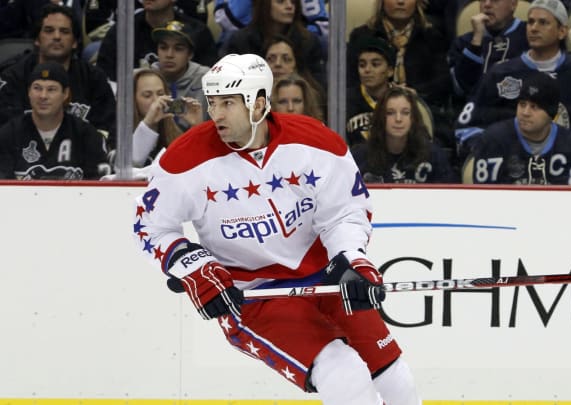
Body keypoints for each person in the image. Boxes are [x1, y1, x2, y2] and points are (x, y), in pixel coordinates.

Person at [132, 53, 421, 405]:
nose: (215, 114)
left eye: (228, 103)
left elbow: (344, 212)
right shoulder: (186, 159)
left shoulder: (315, 142)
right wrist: (194, 267)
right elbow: (150, 228)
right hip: (254, 295)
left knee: (395, 378)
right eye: (213, 103)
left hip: (325, 278)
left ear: (258, 103)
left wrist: (351, 259)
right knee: (345, 376)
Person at [456, 0, 571, 156]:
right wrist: (490, 148)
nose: (534, 28)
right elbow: (466, 127)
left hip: (565, 163)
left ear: (562, 31)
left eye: (543, 23)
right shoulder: (501, 73)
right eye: (530, 22)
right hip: (510, 163)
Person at [0, 3, 117, 150]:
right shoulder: (13, 77)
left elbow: (109, 130)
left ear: (75, 42)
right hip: (24, 161)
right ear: (37, 39)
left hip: (82, 162)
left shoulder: (94, 78)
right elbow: (5, 133)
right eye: (49, 31)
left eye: (64, 31)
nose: (56, 37)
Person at [347, 0, 453, 150]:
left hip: (421, 107)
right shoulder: (361, 36)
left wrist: (416, 95)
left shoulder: (432, 35)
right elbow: (349, 80)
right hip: (365, 106)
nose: (401, 2)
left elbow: (443, 83)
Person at [466, 71, 571, 184]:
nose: (525, 112)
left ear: (551, 113)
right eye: (522, 104)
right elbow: (485, 196)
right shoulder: (493, 140)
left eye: (534, 107)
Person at [0, 62, 110, 180]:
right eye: (37, 88)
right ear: (29, 92)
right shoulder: (9, 134)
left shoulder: (87, 135)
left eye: (51, 89)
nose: (43, 96)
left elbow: (100, 187)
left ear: (65, 94)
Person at [351, 86, 456, 183]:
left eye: (405, 113)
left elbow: (449, 197)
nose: (398, 119)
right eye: (390, 113)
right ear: (381, 118)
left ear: (413, 118)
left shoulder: (434, 156)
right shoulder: (360, 157)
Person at [97, 0, 218, 82]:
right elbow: (105, 77)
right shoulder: (122, 31)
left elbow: (212, 78)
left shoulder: (197, 32)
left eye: (178, 48)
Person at [220, 0, 326, 89]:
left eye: (293, 2)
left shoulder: (308, 41)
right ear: (264, 5)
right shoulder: (240, 41)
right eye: (280, 1)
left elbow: (318, 87)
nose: (289, 6)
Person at [447, 0, 529, 98]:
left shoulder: (530, 35)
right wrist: (476, 41)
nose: (487, 4)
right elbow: (460, 88)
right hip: (477, 108)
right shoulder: (463, 42)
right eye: (482, 0)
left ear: (513, 4)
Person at [132, 68, 202, 168]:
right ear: (133, 99)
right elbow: (132, 163)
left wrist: (197, 128)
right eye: (147, 95)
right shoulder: (117, 133)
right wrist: (148, 123)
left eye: (160, 94)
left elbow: (195, 166)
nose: (157, 101)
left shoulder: (176, 132)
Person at [150, 19, 210, 130]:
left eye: (178, 49)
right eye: (163, 48)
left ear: (190, 54)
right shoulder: (146, 79)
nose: (169, 55)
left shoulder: (206, 79)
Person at [346, 36, 397, 147]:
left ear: (390, 71)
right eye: (362, 65)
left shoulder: (402, 99)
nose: (367, 70)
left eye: (375, 64)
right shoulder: (345, 101)